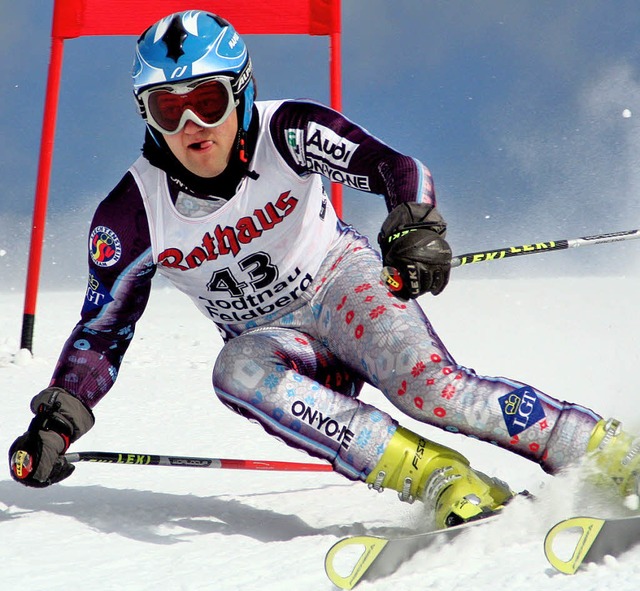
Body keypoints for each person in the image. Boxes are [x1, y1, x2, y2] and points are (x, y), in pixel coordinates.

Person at [9, 10, 639, 529]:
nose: (193, 126)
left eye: (207, 99)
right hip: (286, 350)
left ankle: (603, 451)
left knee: (431, 391)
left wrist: (415, 224)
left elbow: (395, 167)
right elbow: (101, 333)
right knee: (237, 369)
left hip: (343, 287)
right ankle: (443, 481)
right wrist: (57, 424)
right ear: (147, 116)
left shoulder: (290, 129)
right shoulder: (131, 216)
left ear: (242, 89)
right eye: (168, 110)